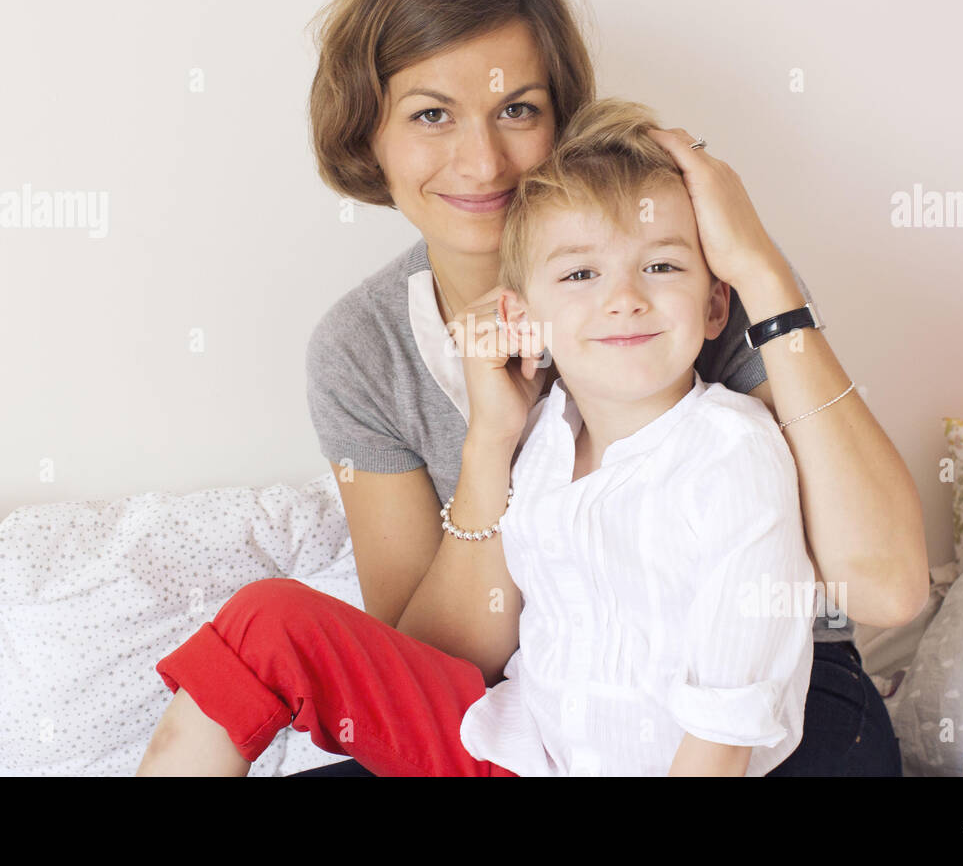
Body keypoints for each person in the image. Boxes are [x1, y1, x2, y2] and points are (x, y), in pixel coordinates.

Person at [138, 0, 927, 776]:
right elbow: (434, 666)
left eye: (517, 108)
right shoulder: (361, 347)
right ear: (370, 134)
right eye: (431, 114)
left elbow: (886, 589)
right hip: (554, 717)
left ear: (561, 119)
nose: (481, 161)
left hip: (768, 712)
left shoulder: (689, 276)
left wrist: (764, 272)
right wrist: (490, 444)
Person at [138, 97, 817, 776]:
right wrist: (494, 434)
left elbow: (725, 728)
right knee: (266, 618)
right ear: (524, 315)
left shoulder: (733, 455)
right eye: (581, 274)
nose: (624, 298)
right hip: (520, 749)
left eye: (661, 266)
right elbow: (460, 647)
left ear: (715, 304)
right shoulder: (549, 436)